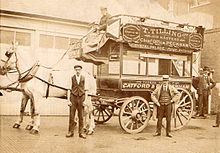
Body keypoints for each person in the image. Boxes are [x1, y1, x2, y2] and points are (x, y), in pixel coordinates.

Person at [66, 64, 87, 139]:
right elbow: (68, 89)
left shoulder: (83, 78)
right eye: (76, 70)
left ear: (81, 70)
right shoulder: (72, 78)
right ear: (75, 70)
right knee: (72, 115)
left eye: (79, 69)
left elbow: (86, 90)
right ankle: (70, 132)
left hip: (81, 97)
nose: (78, 71)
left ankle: (81, 133)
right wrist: (68, 100)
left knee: (81, 116)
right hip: (73, 97)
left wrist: (85, 100)